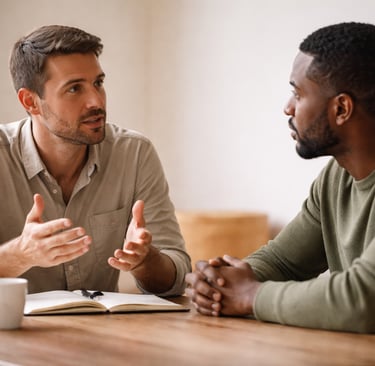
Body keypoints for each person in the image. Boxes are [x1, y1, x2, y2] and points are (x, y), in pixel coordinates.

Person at [185, 21, 375, 333]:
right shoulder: (335, 177)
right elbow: (284, 262)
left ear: (341, 109)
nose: (287, 108)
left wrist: (250, 296)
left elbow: (363, 299)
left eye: (297, 94)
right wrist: (219, 284)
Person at [0, 24, 191, 296]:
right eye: (75, 89)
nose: (96, 101)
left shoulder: (134, 154)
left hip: (101, 333)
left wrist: (145, 261)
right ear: (30, 102)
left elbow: (177, 276)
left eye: (98, 83)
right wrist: (21, 253)